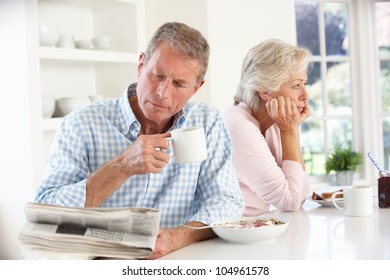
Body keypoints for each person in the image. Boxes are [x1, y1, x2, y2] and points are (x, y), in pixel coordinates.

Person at [35, 22, 244, 259]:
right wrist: (121, 166)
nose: (162, 93)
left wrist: (177, 237)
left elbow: (227, 203)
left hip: (179, 259)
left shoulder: (207, 122)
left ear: (196, 88)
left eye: (179, 84)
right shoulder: (80, 125)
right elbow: (46, 217)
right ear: (141, 64)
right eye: (157, 75)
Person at [222, 39, 311, 216]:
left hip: (255, 229)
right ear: (265, 91)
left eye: (304, 85)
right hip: (230, 235)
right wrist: (290, 131)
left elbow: (300, 194)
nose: (305, 95)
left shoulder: (275, 121)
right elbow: (289, 202)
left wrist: (291, 129)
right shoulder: (238, 127)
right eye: (296, 86)